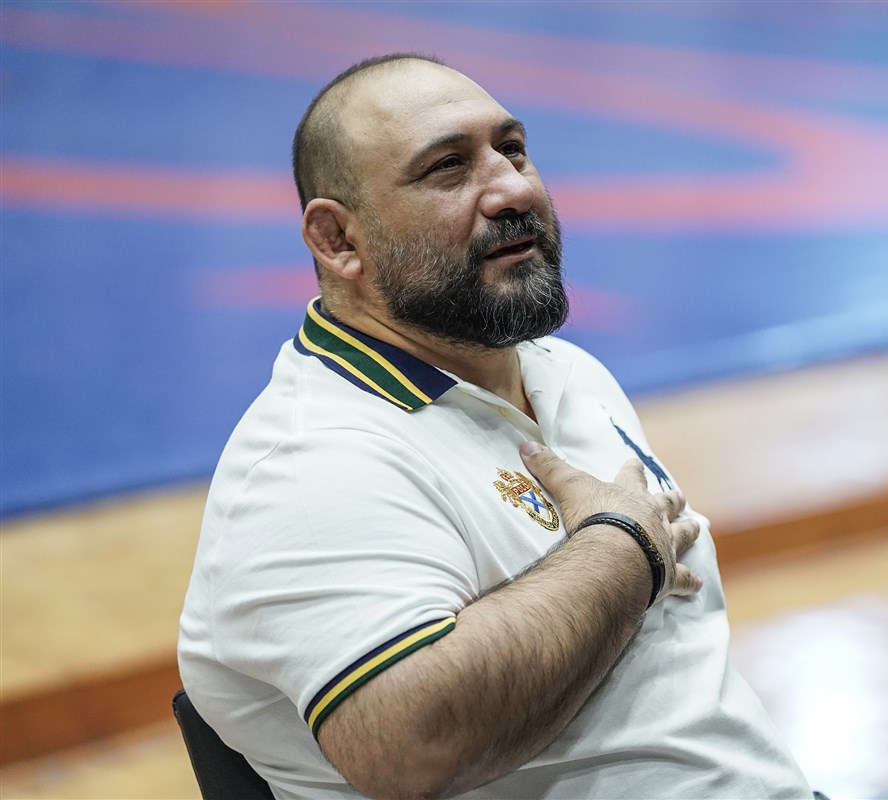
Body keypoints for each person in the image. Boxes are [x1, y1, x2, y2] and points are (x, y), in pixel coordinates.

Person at [178, 53, 813, 800]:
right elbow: (408, 749)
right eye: (448, 168)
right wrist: (621, 548)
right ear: (339, 240)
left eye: (511, 150)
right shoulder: (310, 463)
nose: (513, 189)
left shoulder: (564, 371)